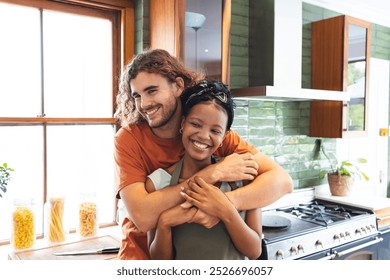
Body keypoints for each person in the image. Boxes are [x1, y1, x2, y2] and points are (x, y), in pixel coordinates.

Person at [114, 49, 292, 260]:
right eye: (137, 96)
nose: (144, 104)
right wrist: (212, 173)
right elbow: (143, 218)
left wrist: (221, 205)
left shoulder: (211, 134)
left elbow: (282, 181)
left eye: (152, 91)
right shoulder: (128, 139)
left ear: (178, 85)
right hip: (141, 258)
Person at [146, 80, 262, 260]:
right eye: (196, 124)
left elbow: (254, 251)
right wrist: (164, 222)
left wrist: (225, 210)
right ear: (183, 123)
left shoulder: (244, 177)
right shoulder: (158, 183)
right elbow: (159, 261)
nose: (203, 135)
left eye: (215, 131)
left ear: (224, 137)